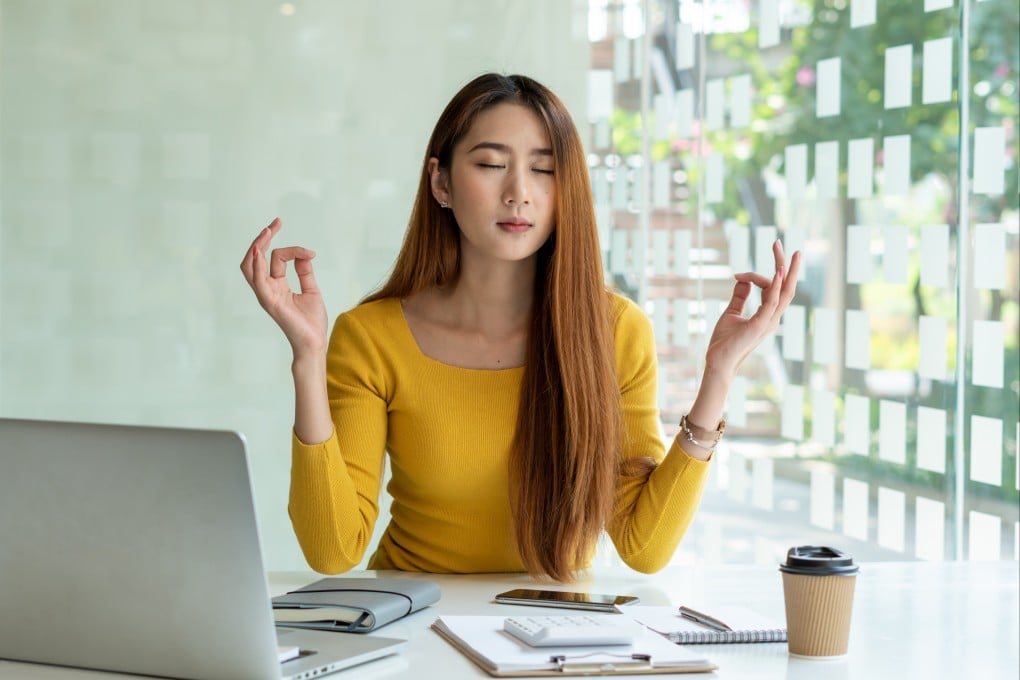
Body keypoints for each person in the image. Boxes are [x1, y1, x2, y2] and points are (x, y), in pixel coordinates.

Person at [240, 72, 800, 583]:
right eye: (489, 165)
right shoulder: (372, 336)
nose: (519, 192)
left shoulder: (616, 332)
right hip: (412, 624)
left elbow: (643, 547)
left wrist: (719, 376)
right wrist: (308, 358)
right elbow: (332, 550)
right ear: (441, 183)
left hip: (553, 639)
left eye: (544, 169)